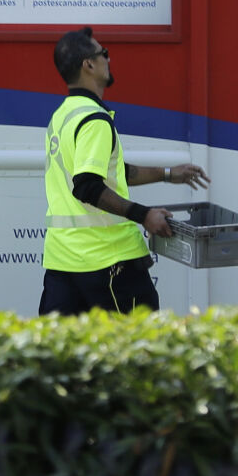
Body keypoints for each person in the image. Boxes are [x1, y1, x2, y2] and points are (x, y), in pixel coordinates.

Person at [41, 27, 209, 315]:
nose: (109, 59)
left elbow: (111, 173)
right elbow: (87, 186)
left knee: (60, 355)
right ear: (89, 64)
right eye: (103, 53)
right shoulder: (94, 120)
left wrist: (168, 173)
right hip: (109, 263)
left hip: (64, 262)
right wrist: (144, 215)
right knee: (140, 351)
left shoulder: (64, 115)